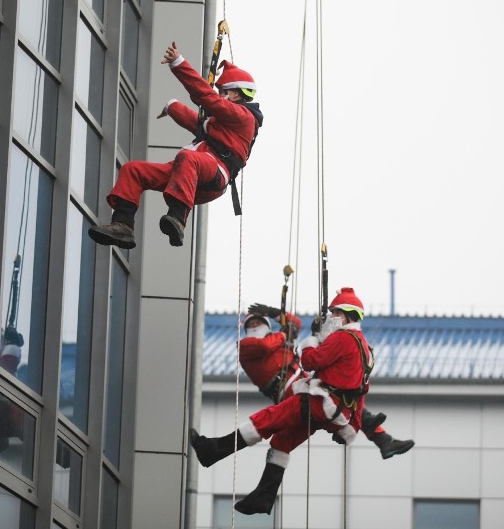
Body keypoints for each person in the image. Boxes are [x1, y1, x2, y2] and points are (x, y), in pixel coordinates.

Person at [189, 288, 379, 515]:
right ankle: (263, 497)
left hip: (317, 402)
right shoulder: (365, 348)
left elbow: (310, 361)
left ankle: (214, 450)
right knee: (282, 440)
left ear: (347, 316)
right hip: (333, 410)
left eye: (335, 313)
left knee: (267, 419)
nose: (332, 318)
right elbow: (361, 392)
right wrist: (352, 427)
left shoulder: (342, 338)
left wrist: (313, 339)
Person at [88, 41, 263, 249]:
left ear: (235, 94)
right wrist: (172, 106)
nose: (219, 96)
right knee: (133, 170)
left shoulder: (244, 118)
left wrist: (179, 64)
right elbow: (196, 122)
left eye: (223, 91)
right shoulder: (221, 123)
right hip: (190, 171)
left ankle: (178, 219)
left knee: (187, 158)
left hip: (214, 171)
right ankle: (123, 225)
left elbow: (207, 100)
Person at [240, 303, 415, 460]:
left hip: (303, 382)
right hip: (288, 389)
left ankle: (383, 439)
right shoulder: (247, 347)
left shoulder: (277, 341)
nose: (255, 326)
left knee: (344, 396)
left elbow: (295, 323)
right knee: (339, 397)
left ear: (267, 326)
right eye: (251, 324)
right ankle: (375, 430)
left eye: (258, 322)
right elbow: (265, 345)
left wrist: (274, 313)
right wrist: (285, 333)